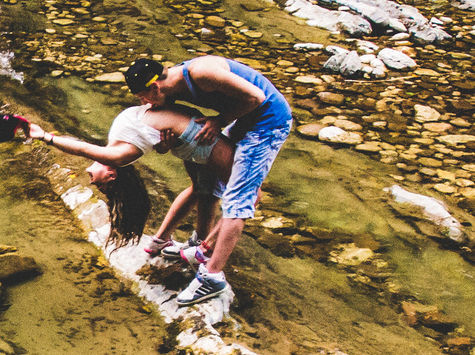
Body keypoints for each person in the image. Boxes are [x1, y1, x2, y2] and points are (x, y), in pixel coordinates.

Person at [120, 54, 293, 307]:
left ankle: (212, 276)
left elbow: (257, 97)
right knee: (210, 184)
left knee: (239, 198)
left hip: (268, 123)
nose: (144, 103)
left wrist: (219, 121)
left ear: (155, 87)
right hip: (245, 117)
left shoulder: (202, 73)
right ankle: (201, 247)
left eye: (142, 97)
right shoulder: (171, 89)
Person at [16, 101, 233, 265]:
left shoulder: (114, 151)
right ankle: (197, 247)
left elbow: (82, 147)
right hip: (196, 137)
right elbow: (81, 149)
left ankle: (168, 242)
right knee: (215, 194)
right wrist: (45, 137)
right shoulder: (116, 156)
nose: (92, 183)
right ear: (111, 175)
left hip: (194, 135)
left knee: (205, 192)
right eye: (100, 185)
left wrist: (46, 137)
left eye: (99, 187)